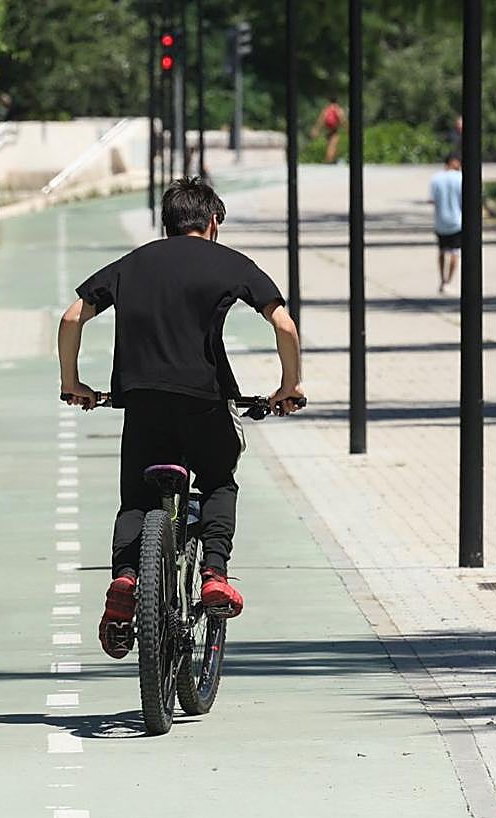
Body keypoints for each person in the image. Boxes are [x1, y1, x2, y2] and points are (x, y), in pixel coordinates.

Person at [57, 177, 305, 659]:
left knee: (136, 497)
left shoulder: (133, 263)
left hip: (142, 401)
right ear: (212, 222)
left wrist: (74, 384)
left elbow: (72, 318)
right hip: (204, 400)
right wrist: (288, 387)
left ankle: (126, 579)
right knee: (217, 480)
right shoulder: (231, 263)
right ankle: (214, 573)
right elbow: (284, 324)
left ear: (166, 224)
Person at [430, 153, 463, 293]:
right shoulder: (461, 178)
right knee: (455, 252)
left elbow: (432, 200)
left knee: (442, 251)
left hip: (440, 221)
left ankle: (442, 280)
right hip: (457, 221)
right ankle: (449, 281)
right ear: (454, 162)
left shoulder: (436, 179)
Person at [312, 97, 347, 164]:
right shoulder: (338, 109)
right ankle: (329, 160)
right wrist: (346, 128)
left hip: (328, 129)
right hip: (334, 129)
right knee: (332, 145)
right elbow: (343, 119)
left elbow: (321, 120)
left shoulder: (326, 109)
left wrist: (316, 130)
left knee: (330, 144)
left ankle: (332, 159)